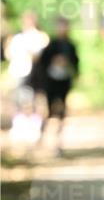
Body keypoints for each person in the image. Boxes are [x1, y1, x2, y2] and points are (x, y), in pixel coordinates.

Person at [35, 16, 79, 155]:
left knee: (62, 111)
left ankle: (58, 142)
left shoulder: (71, 45)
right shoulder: (51, 44)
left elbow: (76, 63)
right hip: (51, 83)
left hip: (64, 82)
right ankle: (41, 135)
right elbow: (41, 64)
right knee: (48, 111)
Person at [6, 11, 49, 143]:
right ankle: (20, 129)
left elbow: (40, 55)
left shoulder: (40, 37)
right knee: (18, 102)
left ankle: (34, 130)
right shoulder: (18, 38)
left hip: (34, 75)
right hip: (19, 72)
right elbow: (9, 53)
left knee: (33, 102)